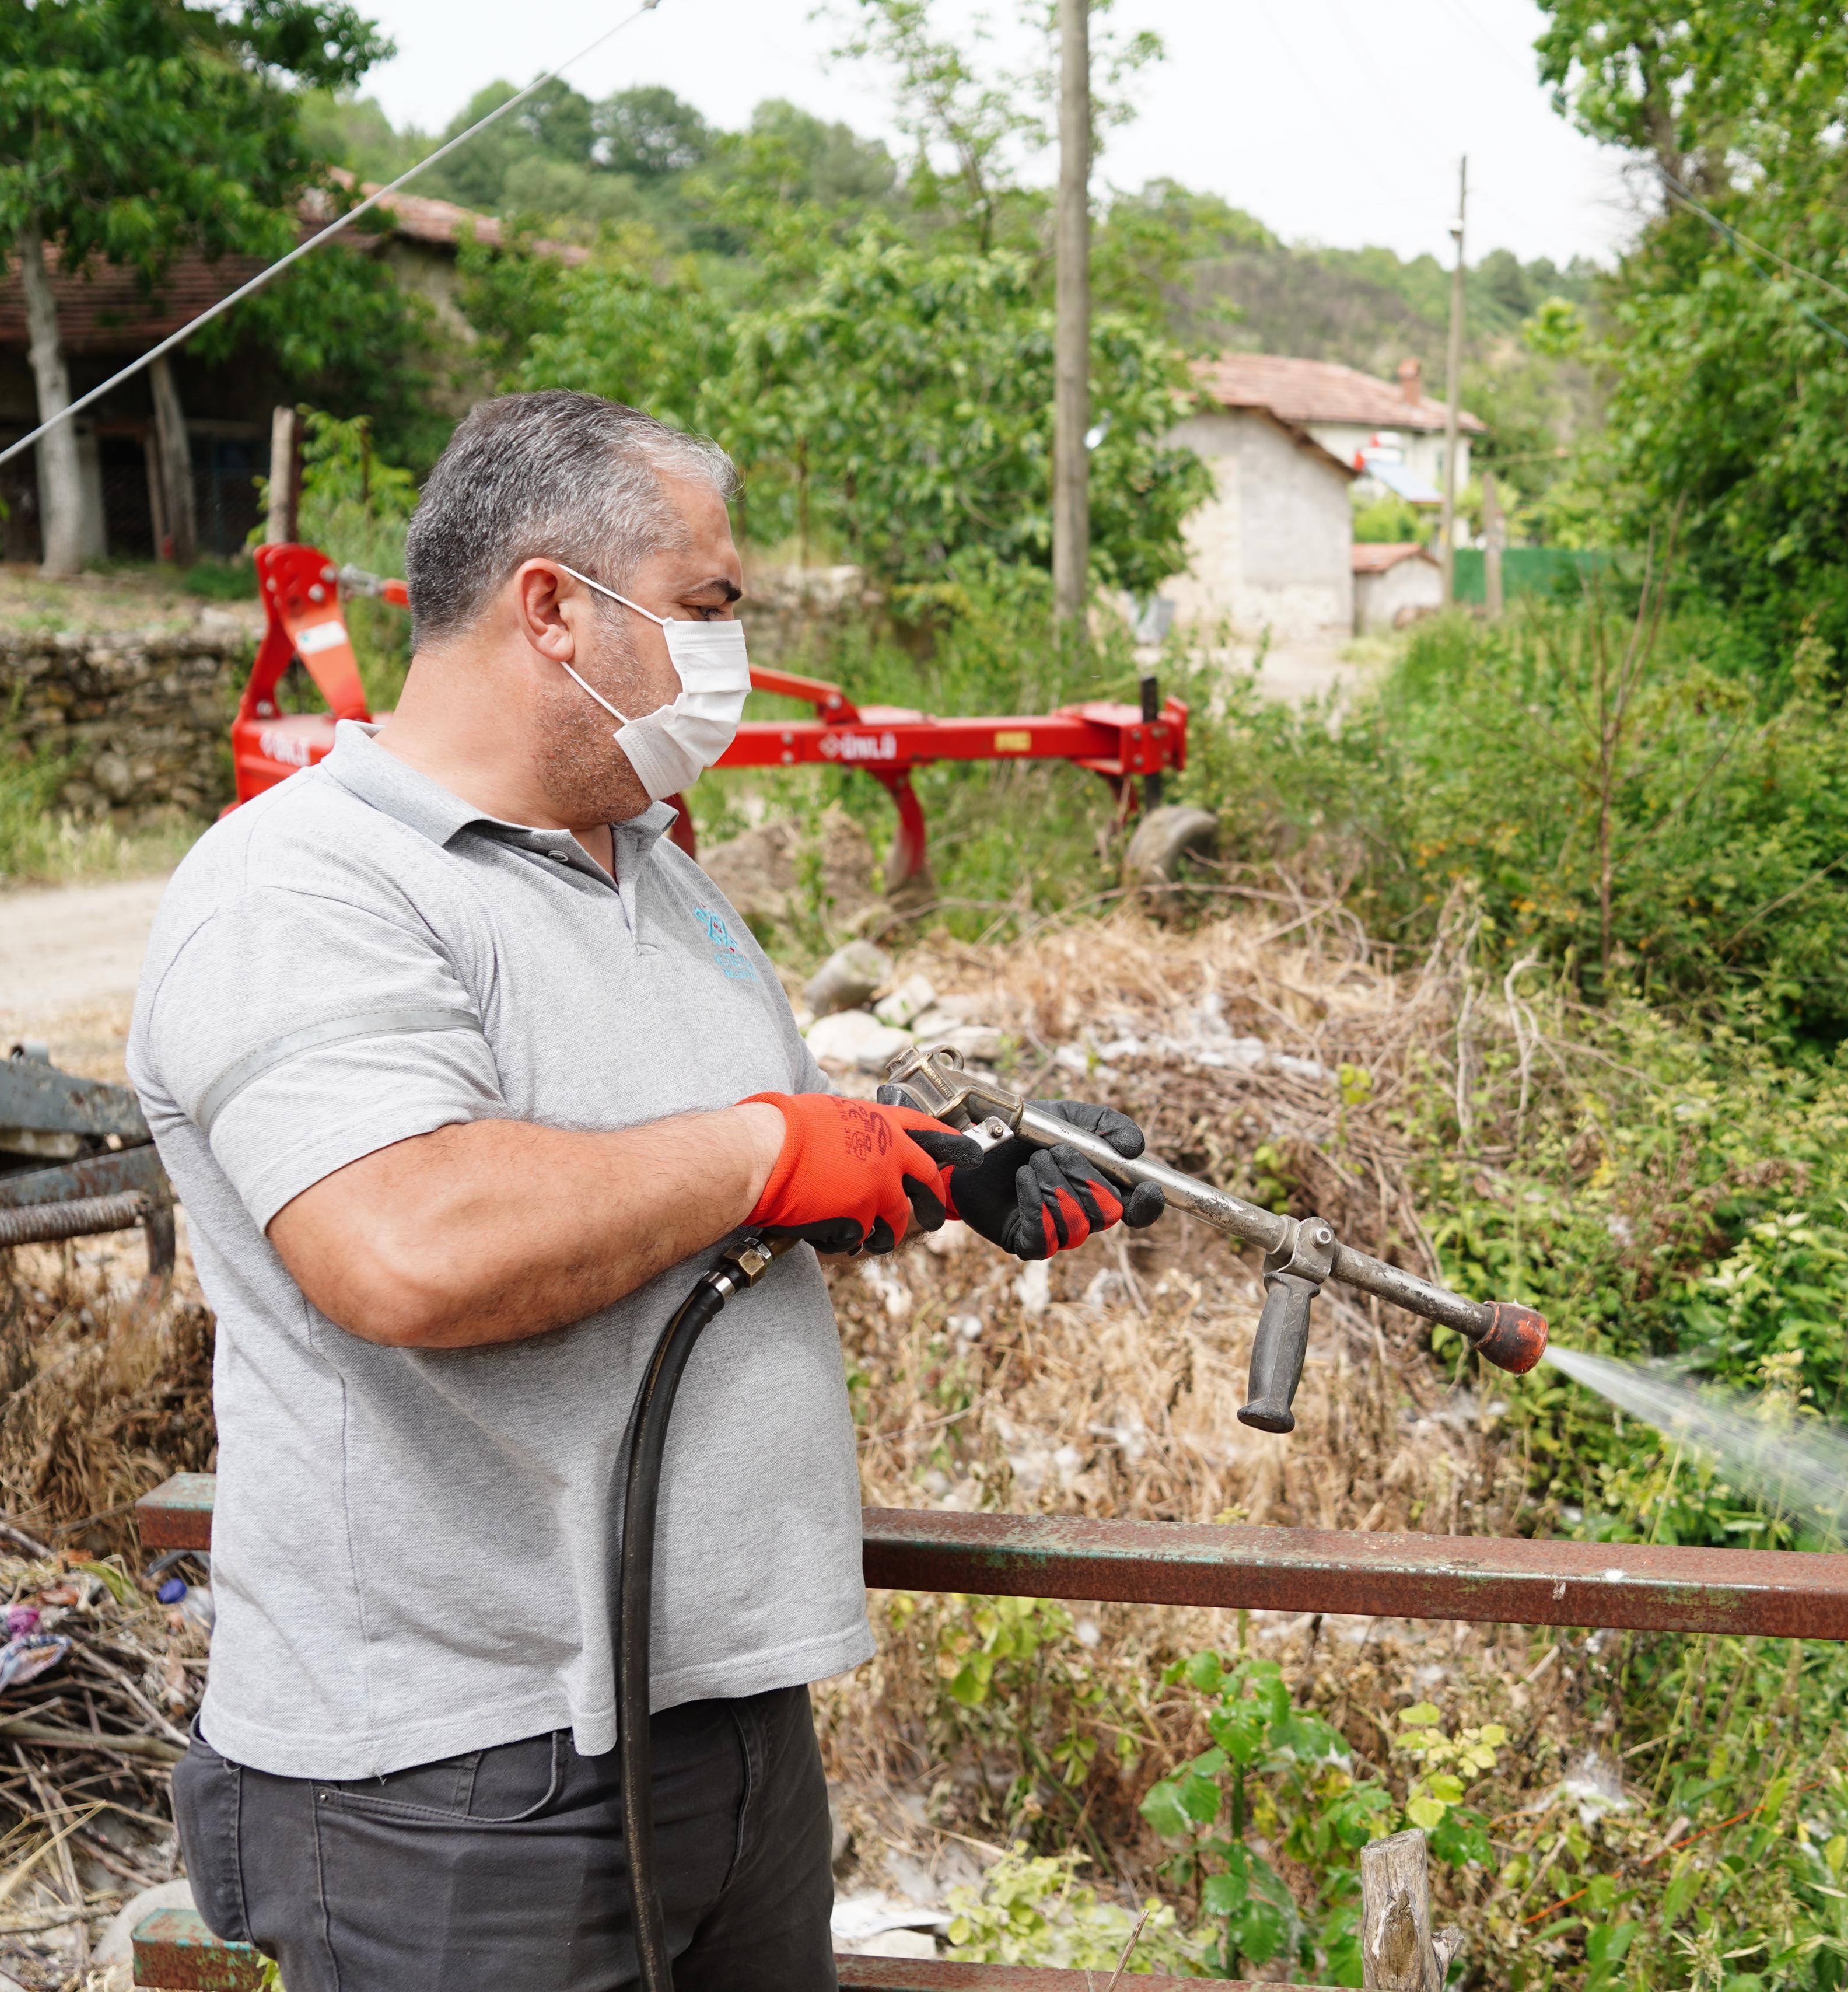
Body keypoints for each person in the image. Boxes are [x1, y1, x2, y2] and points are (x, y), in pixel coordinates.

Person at [127, 390, 1160, 1990]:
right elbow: (409, 1247)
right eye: (709, 607)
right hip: (458, 1782)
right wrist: (769, 1148)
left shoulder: (657, 871)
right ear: (553, 607)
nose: (732, 649)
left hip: (724, 1729)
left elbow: (675, 1186)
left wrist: (940, 1171)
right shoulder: (305, 886)